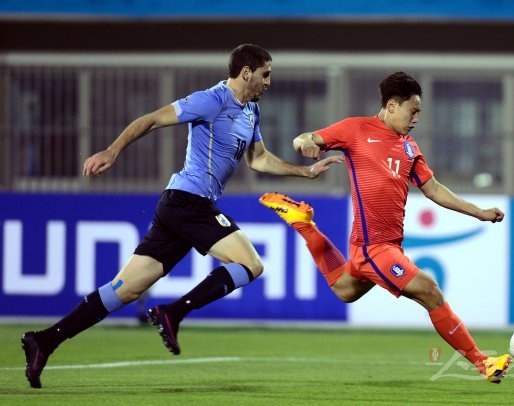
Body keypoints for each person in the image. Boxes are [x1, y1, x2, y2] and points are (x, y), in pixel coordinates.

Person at [21, 44, 342, 389]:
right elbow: (151, 120)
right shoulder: (211, 100)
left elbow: (258, 159)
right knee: (251, 264)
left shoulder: (251, 110)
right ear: (246, 72)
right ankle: (173, 312)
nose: (269, 82)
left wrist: (305, 173)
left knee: (124, 290)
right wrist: (112, 151)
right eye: (265, 74)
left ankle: (45, 340)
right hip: (188, 202)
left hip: (182, 207)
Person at [259, 71, 511, 384]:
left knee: (345, 290)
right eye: (412, 111)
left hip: (388, 245)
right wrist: (305, 144)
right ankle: (483, 362)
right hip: (372, 247)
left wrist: (479, 213)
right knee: (430, 291)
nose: (416, 118)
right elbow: (303, 138)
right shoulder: (355, 129)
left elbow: (433, 189)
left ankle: (304, 224)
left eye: (419, 112)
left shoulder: (409, 147)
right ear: (392, 106)